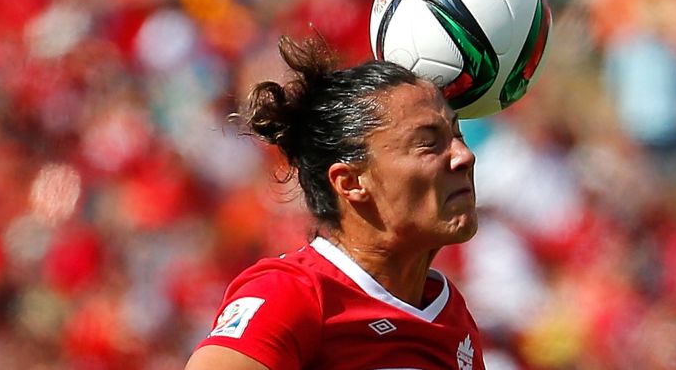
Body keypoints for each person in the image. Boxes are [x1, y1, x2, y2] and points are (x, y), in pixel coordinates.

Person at [185, 34, 482, 370]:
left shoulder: (451, 317)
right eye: (428, 144)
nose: (464, 156)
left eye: (457, 136)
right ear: (351, 182)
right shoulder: (292, 294)